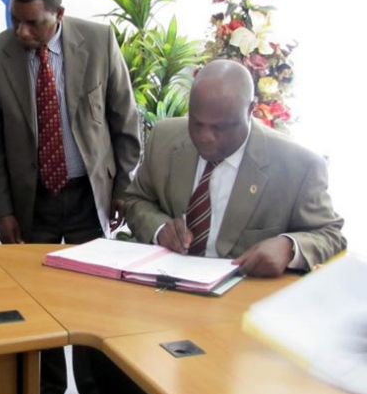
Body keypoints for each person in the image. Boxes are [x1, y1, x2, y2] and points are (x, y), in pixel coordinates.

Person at [0, 0, 141, 394]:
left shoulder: (99, 42)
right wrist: (1, 209)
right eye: (15, 20)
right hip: (32, 201)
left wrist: (124, 186)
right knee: (36, 300)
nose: (22, 31)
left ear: (59, 13)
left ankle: (96, 393)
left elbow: (125, 117)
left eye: (34, 22)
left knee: (93, 298)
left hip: (88, 195)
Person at [124, 59, 345, 275]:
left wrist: (289, 247)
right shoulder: (165, 138)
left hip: (244, 296)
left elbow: (330, 234)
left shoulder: (299, 166)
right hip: (165, 285)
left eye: (221, 127)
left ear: (250, 110)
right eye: (197, 122)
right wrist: (160, 229)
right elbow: (136, 201)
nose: (205, 137)